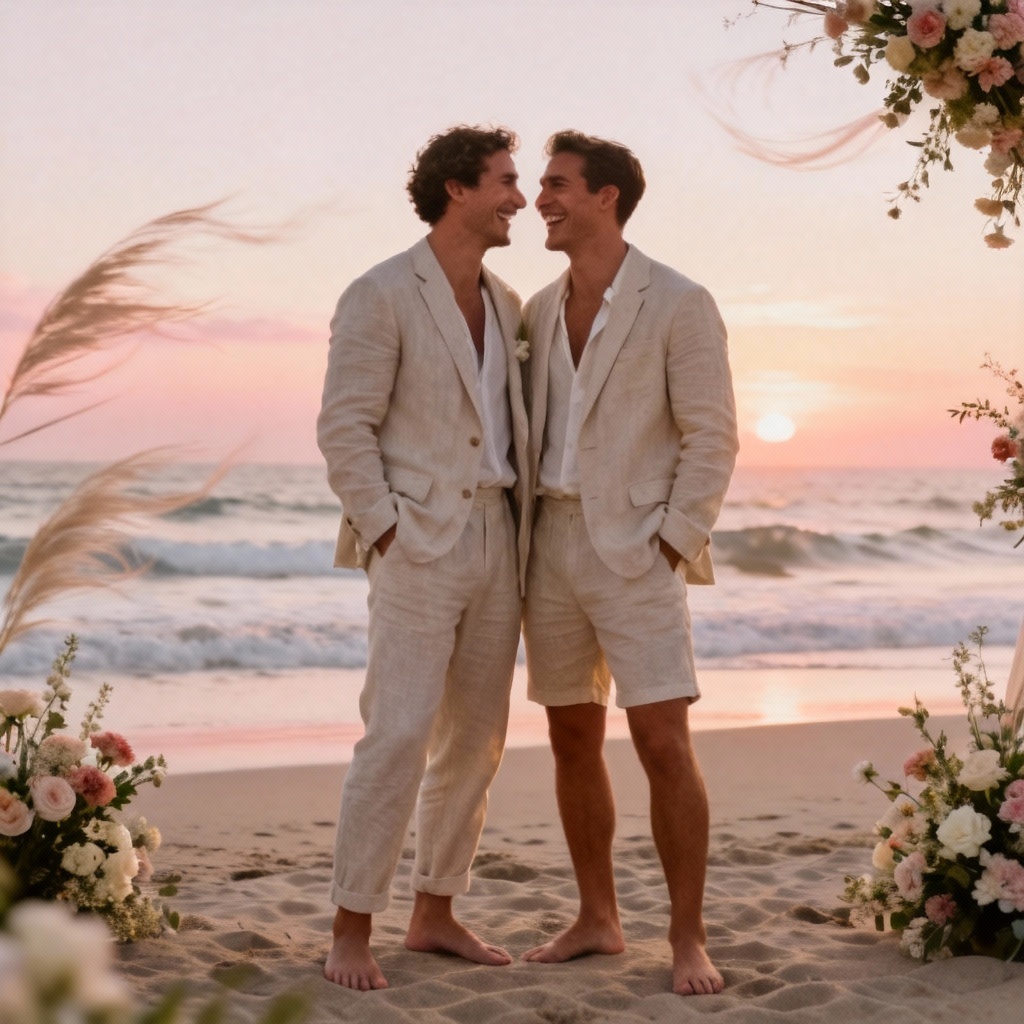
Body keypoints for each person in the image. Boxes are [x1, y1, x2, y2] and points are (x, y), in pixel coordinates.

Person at [519, 131, 738, 996]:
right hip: (551, 547)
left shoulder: (679, 301)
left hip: (637, 551)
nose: (542, 198)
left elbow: (711, 432)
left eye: (558, 185)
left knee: (662, 743)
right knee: (571, 735)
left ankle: (688, 936)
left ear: (606, 197)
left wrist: (672, 539)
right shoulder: (536, 307)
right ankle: (598, 916)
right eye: (540, 184)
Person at [316, 125, 530, 991]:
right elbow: (344, 426)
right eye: (506, 181)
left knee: (476, 742)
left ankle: (436, 910)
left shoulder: (511, 302)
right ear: (456, 189)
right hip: (417, 543)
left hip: (499, 541)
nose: (520, 198)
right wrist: (388, 529)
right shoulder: (379, 292)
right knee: (398, 734)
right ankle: (350, 925)